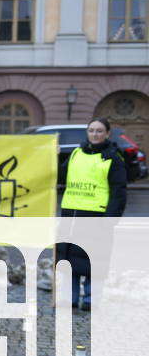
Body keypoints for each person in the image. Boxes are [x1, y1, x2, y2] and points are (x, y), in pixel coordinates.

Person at [59, 117, 127, 310]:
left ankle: (91, 300)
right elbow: (61, 176)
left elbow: (119, 192)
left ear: (107, 134)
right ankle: (68, 298)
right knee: (69, 260)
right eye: (91, 130)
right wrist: (51, 157)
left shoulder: (113, 158)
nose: (95, 134)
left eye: (99, 131)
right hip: (71, 215)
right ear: (87, 133)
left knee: (94, 261)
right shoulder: (75, 154)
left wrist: (110, 220)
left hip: (97, 218)